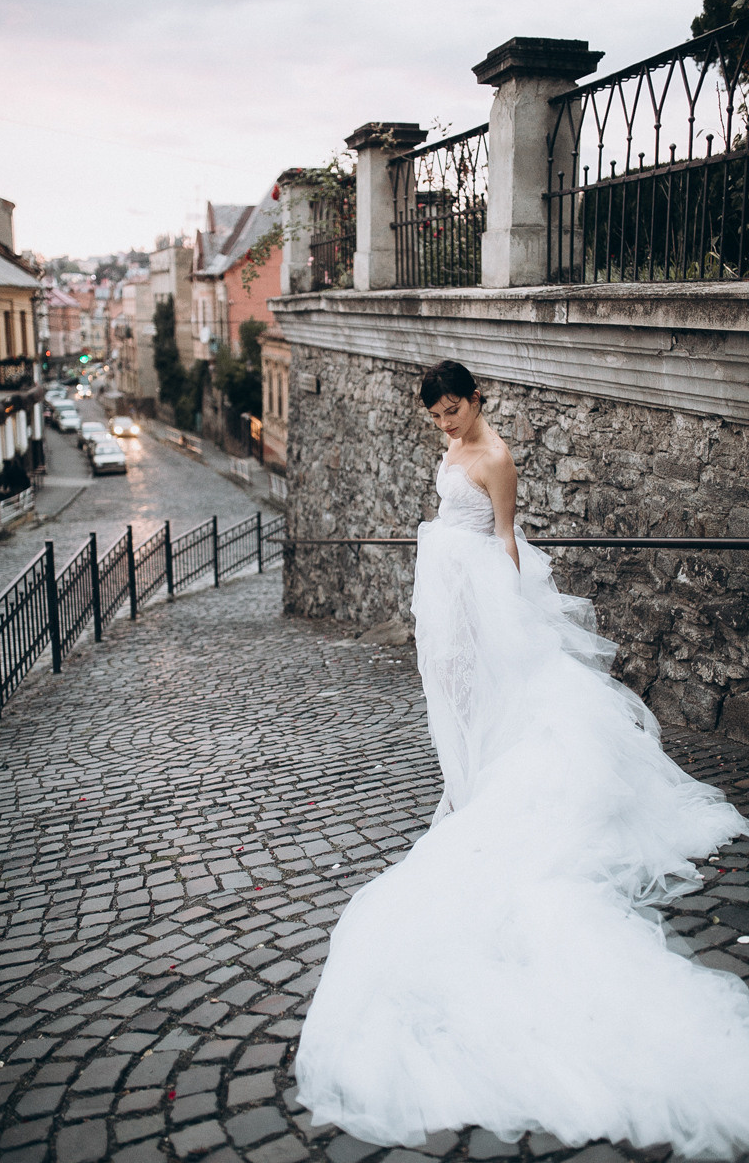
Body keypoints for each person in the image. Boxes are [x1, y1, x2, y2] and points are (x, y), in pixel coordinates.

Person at [295, 360, 749, 1157]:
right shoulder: (447, 447)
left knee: (495, 698)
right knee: (453, 700)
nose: (445, 426)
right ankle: (467, 780)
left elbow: (505, 539)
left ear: (477, 400)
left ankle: (486, 791)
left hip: (484, 594)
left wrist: (513, 624)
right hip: (445, 595)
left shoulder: (496, 457)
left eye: (453, 411)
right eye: (435, 416)